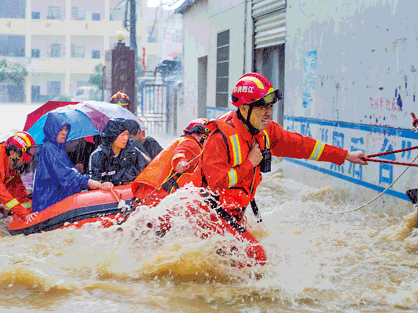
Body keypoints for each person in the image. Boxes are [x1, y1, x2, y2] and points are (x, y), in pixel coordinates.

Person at [189, 72, 368, 232]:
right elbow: (216, 183)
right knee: (258, 259)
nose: (268, 113)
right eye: (261, 107)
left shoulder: (266, 131)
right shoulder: (219, 138)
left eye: (271, 106)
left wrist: (344, 155)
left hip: (233, 215)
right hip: (209, 216)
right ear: (244, 108)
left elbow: (302, 145)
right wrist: (249, 164)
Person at [32, 112, 113, 212]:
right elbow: (65, 176)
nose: (64, 132)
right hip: (49, 202)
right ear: (52, 130)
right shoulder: (49, 148)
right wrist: (87, 181)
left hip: (56, 199)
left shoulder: (58, 149)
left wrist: (77, 171)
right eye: (60, 129)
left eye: (66, 129)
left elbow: (66, 170)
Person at [132, 118, 211, 206]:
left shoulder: (182, 141)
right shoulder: (192, 144)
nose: (209, 142)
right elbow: (180, 152)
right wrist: (180, 162)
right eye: (208, 138)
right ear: (201, 135)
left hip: (149, 189)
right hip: (159, 193)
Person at [89, 118, 150, 185]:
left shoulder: (132, 152)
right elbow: (94, 182)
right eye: (122, 135)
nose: (125, 138)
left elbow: (145, 173)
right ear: (113, 136)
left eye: (127, 134)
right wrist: (102, 185)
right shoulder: (97, 156)